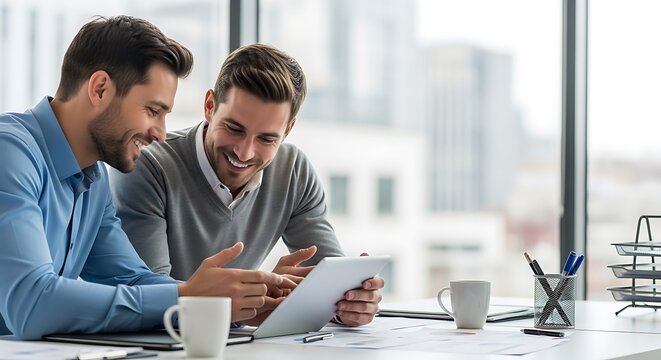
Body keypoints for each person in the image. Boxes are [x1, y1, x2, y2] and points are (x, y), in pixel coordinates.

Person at [0, 16, 293, 340]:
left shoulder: (93, 181)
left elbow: (133, 281)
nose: (160, 133)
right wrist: (188, 299)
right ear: (100, 89)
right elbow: (32, 304)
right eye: (153, 111)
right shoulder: (10, 153)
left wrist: (231, 303)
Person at [109, 43, 384, 326]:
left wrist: (349, 304)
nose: (244, 153)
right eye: (234, 128)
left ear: (288, 130)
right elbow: (150, 297)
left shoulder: (293, 171)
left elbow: (331, 285)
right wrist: (259, 297)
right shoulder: (147, 166)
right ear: (209, 106)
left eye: (266, 139)